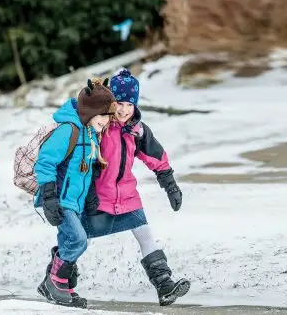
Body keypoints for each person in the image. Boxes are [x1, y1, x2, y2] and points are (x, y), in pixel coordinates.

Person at [83, 68, 189, 306]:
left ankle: (165, 286)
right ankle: (58, 277)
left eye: (129, 104)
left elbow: (157, 157)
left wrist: (170, 186)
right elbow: (87, 160)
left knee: (146, 236)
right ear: (111, 102)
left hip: (127, 195)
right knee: (80, 239)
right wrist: (88, 192)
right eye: (119, 103)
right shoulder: (101, 126)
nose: (124, 109)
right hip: (98, 195)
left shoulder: (137, 130)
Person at [35, 79, 116, 307]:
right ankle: (55, 281)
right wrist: (49, 198)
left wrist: (90, 196)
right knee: (79, 241)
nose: (106, 121)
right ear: (90, 112)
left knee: (68, 241)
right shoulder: (68, 131)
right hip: (61, 199)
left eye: (109, 117)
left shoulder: (91, 134)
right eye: (103, 115)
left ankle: (63, 288)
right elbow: (45, 163)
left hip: (76, 201)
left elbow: (86, 169)